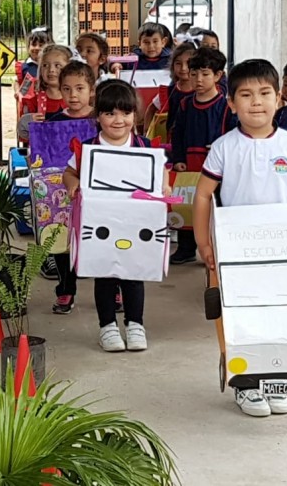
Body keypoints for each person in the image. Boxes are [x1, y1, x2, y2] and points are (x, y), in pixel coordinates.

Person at [193, 59, 287, 417]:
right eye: (246, 95)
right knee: (242, 317)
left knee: (280, 314)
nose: (256, 102)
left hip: (284, 252)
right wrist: (204, 243)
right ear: (231, 103)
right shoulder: (224, 148)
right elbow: (202, 195)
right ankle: (246, 384)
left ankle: (278, 379)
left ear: (278, 99)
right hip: (237, 255)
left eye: (265, 93)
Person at [63, 80, 171, 352]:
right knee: (105, 274)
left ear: (135, 114)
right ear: (98, 116)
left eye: (125, 113)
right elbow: (69, 172)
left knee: (134, 273)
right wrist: (73, 185)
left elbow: (162, 170)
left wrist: (165, 185)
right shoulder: (88, 148)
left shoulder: (144, 146)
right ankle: (107, 326)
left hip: (136, 223)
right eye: (110, 113)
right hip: (101, 224)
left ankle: (136, 324)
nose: (118, 120)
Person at [170, 48, 235, 264]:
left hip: (216, 165)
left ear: (218, 75)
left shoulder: (226, 107)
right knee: (187, 203)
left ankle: (217, 247)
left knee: (215, 205)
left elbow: (233, 135)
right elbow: (177, 133)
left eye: (205, 74)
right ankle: (186, 247)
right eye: (194, 74)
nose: (198, 79)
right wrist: (178, 158)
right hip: (189, 161)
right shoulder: (185, 104)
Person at [45, 62, 96, 314]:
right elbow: (43, 158)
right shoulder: (53, 121)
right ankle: (65, 289)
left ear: (92, 90)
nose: (73, 95)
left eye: (79, 88)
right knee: (62, 239)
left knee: (101, 238)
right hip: (62, 192)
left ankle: (113, 288)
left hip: (97, 192)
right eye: (66, 89)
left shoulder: (103, 119)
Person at [144, 42, 196, 137]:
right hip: (173, 141)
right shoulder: (168, 92)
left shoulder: (202, 92)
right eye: (178, 63)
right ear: (172, 66)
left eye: (188, 63)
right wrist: (146, 132)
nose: (183, 68)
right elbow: (151, 109)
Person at [13, 26, 53, 99]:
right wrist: (17, 91)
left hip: (49, 102)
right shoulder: (24, 66)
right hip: (30, 103)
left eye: (41, 45)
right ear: (28, 47)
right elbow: (17, 82)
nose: (37, 48)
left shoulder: (53, 66)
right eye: (34, 45)